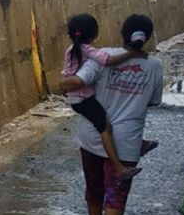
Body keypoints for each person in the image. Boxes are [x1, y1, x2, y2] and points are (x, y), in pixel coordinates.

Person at [61, 14, 164, 215]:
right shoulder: (154, 66)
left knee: (93, 187)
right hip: (127, 143)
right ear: (147, 37)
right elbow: (154, 101)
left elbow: (80, 81)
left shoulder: (102, 55)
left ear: (122, 32)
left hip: (92, 136)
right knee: (116, 194)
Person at [61, 14, 144, 181]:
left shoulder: (71, 50)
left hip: (75, 98)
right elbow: (107, 60)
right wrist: (132, 53)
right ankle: (119, 168)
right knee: (105, 128)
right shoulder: (87, 50)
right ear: (94, 34)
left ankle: (140, 145)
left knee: (103, 123)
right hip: (82, 98)